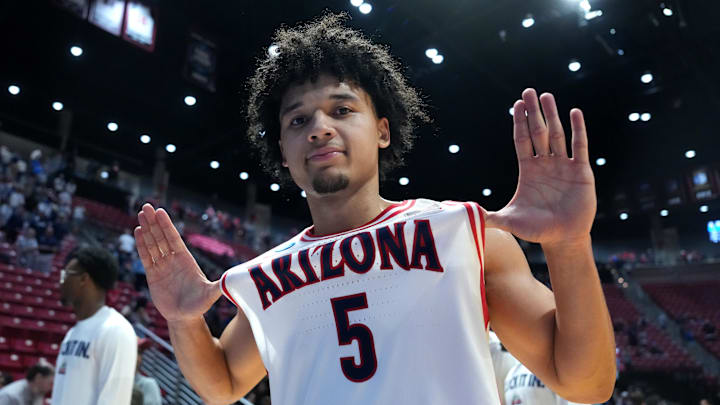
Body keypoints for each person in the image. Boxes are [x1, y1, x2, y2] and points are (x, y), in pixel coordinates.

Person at [134, 13, 615, 405]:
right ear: (284, 152)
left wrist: (569, 246)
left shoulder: (464, 235)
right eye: (299, 119)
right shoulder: (269, 274)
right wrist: (183, 322)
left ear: (383, 131)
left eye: (342, 110)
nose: (319, 128)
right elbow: (222, 384)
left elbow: (585, 383)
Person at [51, 246, 138, 405]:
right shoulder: (72, 333)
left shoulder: (116, 330)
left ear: (84, 279)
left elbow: (114, 400)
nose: (61, 281)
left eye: (66, 275)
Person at [133, 338, 162, 405]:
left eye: (139, 352)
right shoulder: (108, 381)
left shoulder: (147, 385)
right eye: (133, 351)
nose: (137, 357)